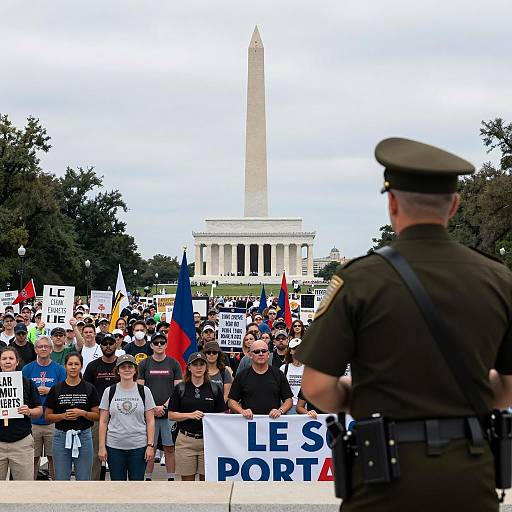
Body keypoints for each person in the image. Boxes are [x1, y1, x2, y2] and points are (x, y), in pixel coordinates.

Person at [297, 137, 512, 512]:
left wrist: (360, 393)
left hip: (383, 475)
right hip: (470, 474)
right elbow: (509, 387)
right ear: (455, 206)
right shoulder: (499, 279)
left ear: (392, 203)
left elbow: (316, 387)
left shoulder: (360, 280)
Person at [168, 352, 226, 481]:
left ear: (206, 367)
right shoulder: (181, 388)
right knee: (188, 485)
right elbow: (171, 415)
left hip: (208, 441)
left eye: (201, 364)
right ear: (189, 367)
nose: (198, 368)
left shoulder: (214, 388)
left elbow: (221, 415)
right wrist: (190, 415)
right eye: (195, 365)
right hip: (186, 440)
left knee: (207, 482)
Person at [98, 354, 156, 481]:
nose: (127, 370)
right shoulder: (109, 391)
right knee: (117, 486)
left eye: (130, 366)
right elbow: (103, 421)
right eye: (123, 367)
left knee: (137, 486)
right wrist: (102, 446)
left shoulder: (144, 391)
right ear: (117, 371)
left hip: (139, 447)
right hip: (114, 447)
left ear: (135, 370)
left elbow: (151, 421)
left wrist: (150, 445)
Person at [45, 352, 100, 480]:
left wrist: (83, 413)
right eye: (70, 364)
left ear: (81, 366)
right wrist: (63, 416)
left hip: (84, 436)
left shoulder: (89, 388)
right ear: (65, 366)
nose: (73, 367)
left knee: (83, 479)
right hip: (61, 436)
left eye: (76, 364)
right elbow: (47, 416)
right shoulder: (56, 389)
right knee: (61, 479)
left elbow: (97, 415)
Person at [137, 332, 182, 481]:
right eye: (156, 343)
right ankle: (147, 479)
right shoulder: (144, 364)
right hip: (150, 413)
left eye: (162, 342)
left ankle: (170, 479)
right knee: (151, 447)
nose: (159, 345)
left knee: (169, 447)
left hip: (169, 412)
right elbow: (140, 389)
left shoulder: (174, 363)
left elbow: (178, 390)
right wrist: (152, 407)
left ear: (166, 345)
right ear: (151, 345)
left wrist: (164, 406)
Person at [22, 337, 66, 479]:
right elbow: (21, 392)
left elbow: (64, 392)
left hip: (52, 422)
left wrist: (49, 391)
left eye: (46, 346)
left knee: (54, 459)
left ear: (51, 349)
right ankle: (32, 490)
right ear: (35, 349)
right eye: (40, 346)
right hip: (32, 422)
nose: (43, 349)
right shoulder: (27, 369)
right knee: (32, 459)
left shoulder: (59, 370)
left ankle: (55, 490)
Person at [0, 346, 43, 480]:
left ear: (17, 362)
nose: (8, 361)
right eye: (4, 358)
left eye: (11, 358)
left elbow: (39, 410)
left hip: (21, 443)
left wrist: (29, 411)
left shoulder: (27, 383)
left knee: (24, 489)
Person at [83, 333, 119, 480]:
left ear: (116, 344)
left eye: (111, 343)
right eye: (105, 343)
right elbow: (86, 390)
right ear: (101, 346)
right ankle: (94, 486)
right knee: (96, 453)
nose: (108, 346)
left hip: (120, 415)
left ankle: (118, 485)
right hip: (98, 416)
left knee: (118, 453)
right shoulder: (93, 366)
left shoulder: (122, 364)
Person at [228, 340, 293, 418]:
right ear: (250, 355)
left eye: (264, 351)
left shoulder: (278, 374)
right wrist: (242, 411)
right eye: (256, 351)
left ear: (268, 354)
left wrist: (280, 411)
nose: (261, 354)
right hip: (249, 424)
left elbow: (289, 400)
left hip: (273, 424)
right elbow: (231, 401)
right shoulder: (242, 375)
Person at [279, 338, 304, 414]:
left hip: (303, 406)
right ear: (290, 351)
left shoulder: (308, 369)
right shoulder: (284, 368)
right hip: (288, 406)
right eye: (294, 349)